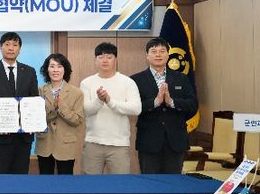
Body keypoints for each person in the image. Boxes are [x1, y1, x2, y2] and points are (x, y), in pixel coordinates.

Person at [131, 37, 198, 174]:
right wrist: (155, 102)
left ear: (168, 55)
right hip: (149, 141)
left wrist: (172, 102)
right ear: (147, 55)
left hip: (176, 141)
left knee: (174, 182)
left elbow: (193, 105)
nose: (158, 55)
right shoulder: (136, 80)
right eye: (154, 51)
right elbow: (133, 107)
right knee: (150, 182)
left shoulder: (182, 78)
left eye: (162, 51)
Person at [80, 42, 141, 174]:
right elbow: (85, 110)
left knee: (120, 184)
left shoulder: (128, 82)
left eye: (109, 57)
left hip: (119, 144)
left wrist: (110, 101)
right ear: (95, 60)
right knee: (89, 183)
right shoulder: (86, 82)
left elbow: (136, 109)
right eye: (101, 57)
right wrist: (99, 100)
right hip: (93, 143)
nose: (105, 60)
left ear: (116, 59)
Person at [0, 32, 39, 174]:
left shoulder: (29, 71)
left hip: (24, 134)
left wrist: (32, 122)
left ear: (19, 49)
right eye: (7, 44)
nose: (11, 48)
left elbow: (33, 99)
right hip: (1, 133)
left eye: (15, 45)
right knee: (1, 173)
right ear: (0, 47)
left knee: (21, 174)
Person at [36, 53, 84, 175]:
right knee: (45, 182)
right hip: (44, 144)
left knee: (66, 182)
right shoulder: (39, 91)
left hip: (66, 145)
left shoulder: (76, 93)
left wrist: (62, 107)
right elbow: (36, 119)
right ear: (47, 70)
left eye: (59, 66)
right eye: (52, 66)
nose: (55, 70)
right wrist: (54, 108)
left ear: (65, 69)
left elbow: (77, 120)